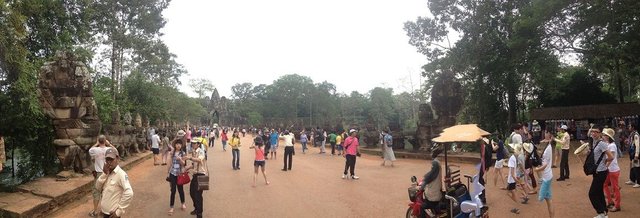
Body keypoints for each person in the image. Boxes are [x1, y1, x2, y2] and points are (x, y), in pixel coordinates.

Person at [96, 147, 133, 218]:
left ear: (117, 159)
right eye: (107, 159)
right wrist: (104, 173)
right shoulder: (107, 173)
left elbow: (129, 193)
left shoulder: (120, 174)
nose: (109, 162)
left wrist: (119, 211)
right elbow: (98, 187)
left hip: (112, 215)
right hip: (104, 213)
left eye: (111, 159)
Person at [588, 126, 614, 218]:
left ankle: (601, 212)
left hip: (601, 172)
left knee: (592, 193)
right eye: (592, 131)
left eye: (596, 132)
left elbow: (611, 157)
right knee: (598, 192)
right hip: (597, 172)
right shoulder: (595, 142)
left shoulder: (602, 143)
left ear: (600, 133)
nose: (593, 133)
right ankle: (604, 212)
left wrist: (604, 164)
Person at [88, 135, 114, 217]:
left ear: (98, 141)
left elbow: (90, 150)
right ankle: (105, 210)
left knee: (96, 192)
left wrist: (96, 143)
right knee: (105, 191)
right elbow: (115, 150)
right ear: (105, 140)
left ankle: (95, 211)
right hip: (107, 172)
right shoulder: (108, 149)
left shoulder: (95, 150)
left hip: (99, 173)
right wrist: (109, 144)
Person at [535, 128, 555, 218]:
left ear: (549, 134)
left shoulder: (548, 149)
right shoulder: (548, 146)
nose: (544, 134)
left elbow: (545, 165)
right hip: (547, 175)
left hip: (546, 177)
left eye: (546, 132)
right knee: (548, 200)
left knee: (540, 198)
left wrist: (537, 170)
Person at [185, 139, 207, 218]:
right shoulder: (194, 152)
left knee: (198, 195)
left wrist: (189, 158)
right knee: (192, 193)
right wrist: (188, 167)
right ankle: (196, 208)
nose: (193, 144)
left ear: (198, 144)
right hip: (195, 175)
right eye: (192, 143)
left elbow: (199, 159)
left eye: (194, 143)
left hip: (201, 175)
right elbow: (193, 164)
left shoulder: (201, 151)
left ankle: (199, 214)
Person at [420, 148, 443, 217]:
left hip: (434, 194)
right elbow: (431, 173)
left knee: (422, 206)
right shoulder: (437, 162)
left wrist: (423, 183)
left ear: (433, 154)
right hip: (437, 190)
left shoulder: (435, 163)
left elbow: (430, 176)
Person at [602, 128, 621, 212]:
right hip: (610, 169)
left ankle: (617, 205)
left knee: (615, 188)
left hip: (613, 169)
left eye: (604, 135)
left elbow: (611, 158)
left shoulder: (612, 145)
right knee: (605, 184)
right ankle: (610, 201)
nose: (603, 136)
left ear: (608, 136)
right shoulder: (608, 144)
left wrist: (606, 167)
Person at [167, 140, 187, 216]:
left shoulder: (183, 153)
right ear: (175, 145)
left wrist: (180, 159)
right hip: (172, 173)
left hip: (179, 174)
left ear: (182, 145)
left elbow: (184, 164)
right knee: (173, 191)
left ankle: (183, 203)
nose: (178, 145)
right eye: (177, 144)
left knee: (181, 190)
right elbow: (169, 163)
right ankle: (171, 207)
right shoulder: (172, 153)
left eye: (180, 144)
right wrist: (168, 172)